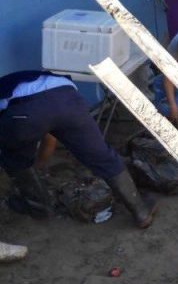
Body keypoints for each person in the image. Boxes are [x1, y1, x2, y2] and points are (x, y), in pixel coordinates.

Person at [0, 70, 156, 227]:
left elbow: (29, 127)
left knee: (15, 158)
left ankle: (40, 207)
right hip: (69, 98)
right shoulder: (34, 80)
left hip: (25, 112)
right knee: (101, 155)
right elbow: (50, 130)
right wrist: (40, 164)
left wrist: (29, 163)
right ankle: (141, 211)